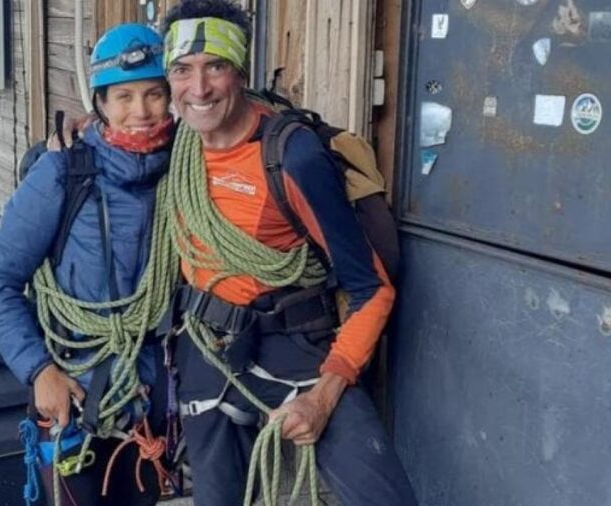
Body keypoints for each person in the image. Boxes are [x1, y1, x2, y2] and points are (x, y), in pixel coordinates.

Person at [159, 1, 418, 504]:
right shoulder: (175, 144)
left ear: (241, 71)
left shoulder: (291, 156)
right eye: (182, 70)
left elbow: (372, 290)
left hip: (298, 348)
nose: (200, 88)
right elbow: (115, 137)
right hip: (208, 344)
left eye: (216, 66)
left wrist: (323, 398)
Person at [0, 23, 179, 506]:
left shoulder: (185, 168)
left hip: (149, 397)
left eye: (154, 93)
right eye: (123, 96)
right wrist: (39, 370)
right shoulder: (63, 173)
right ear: (101, 104)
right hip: (71, 393)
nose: (141, 111)